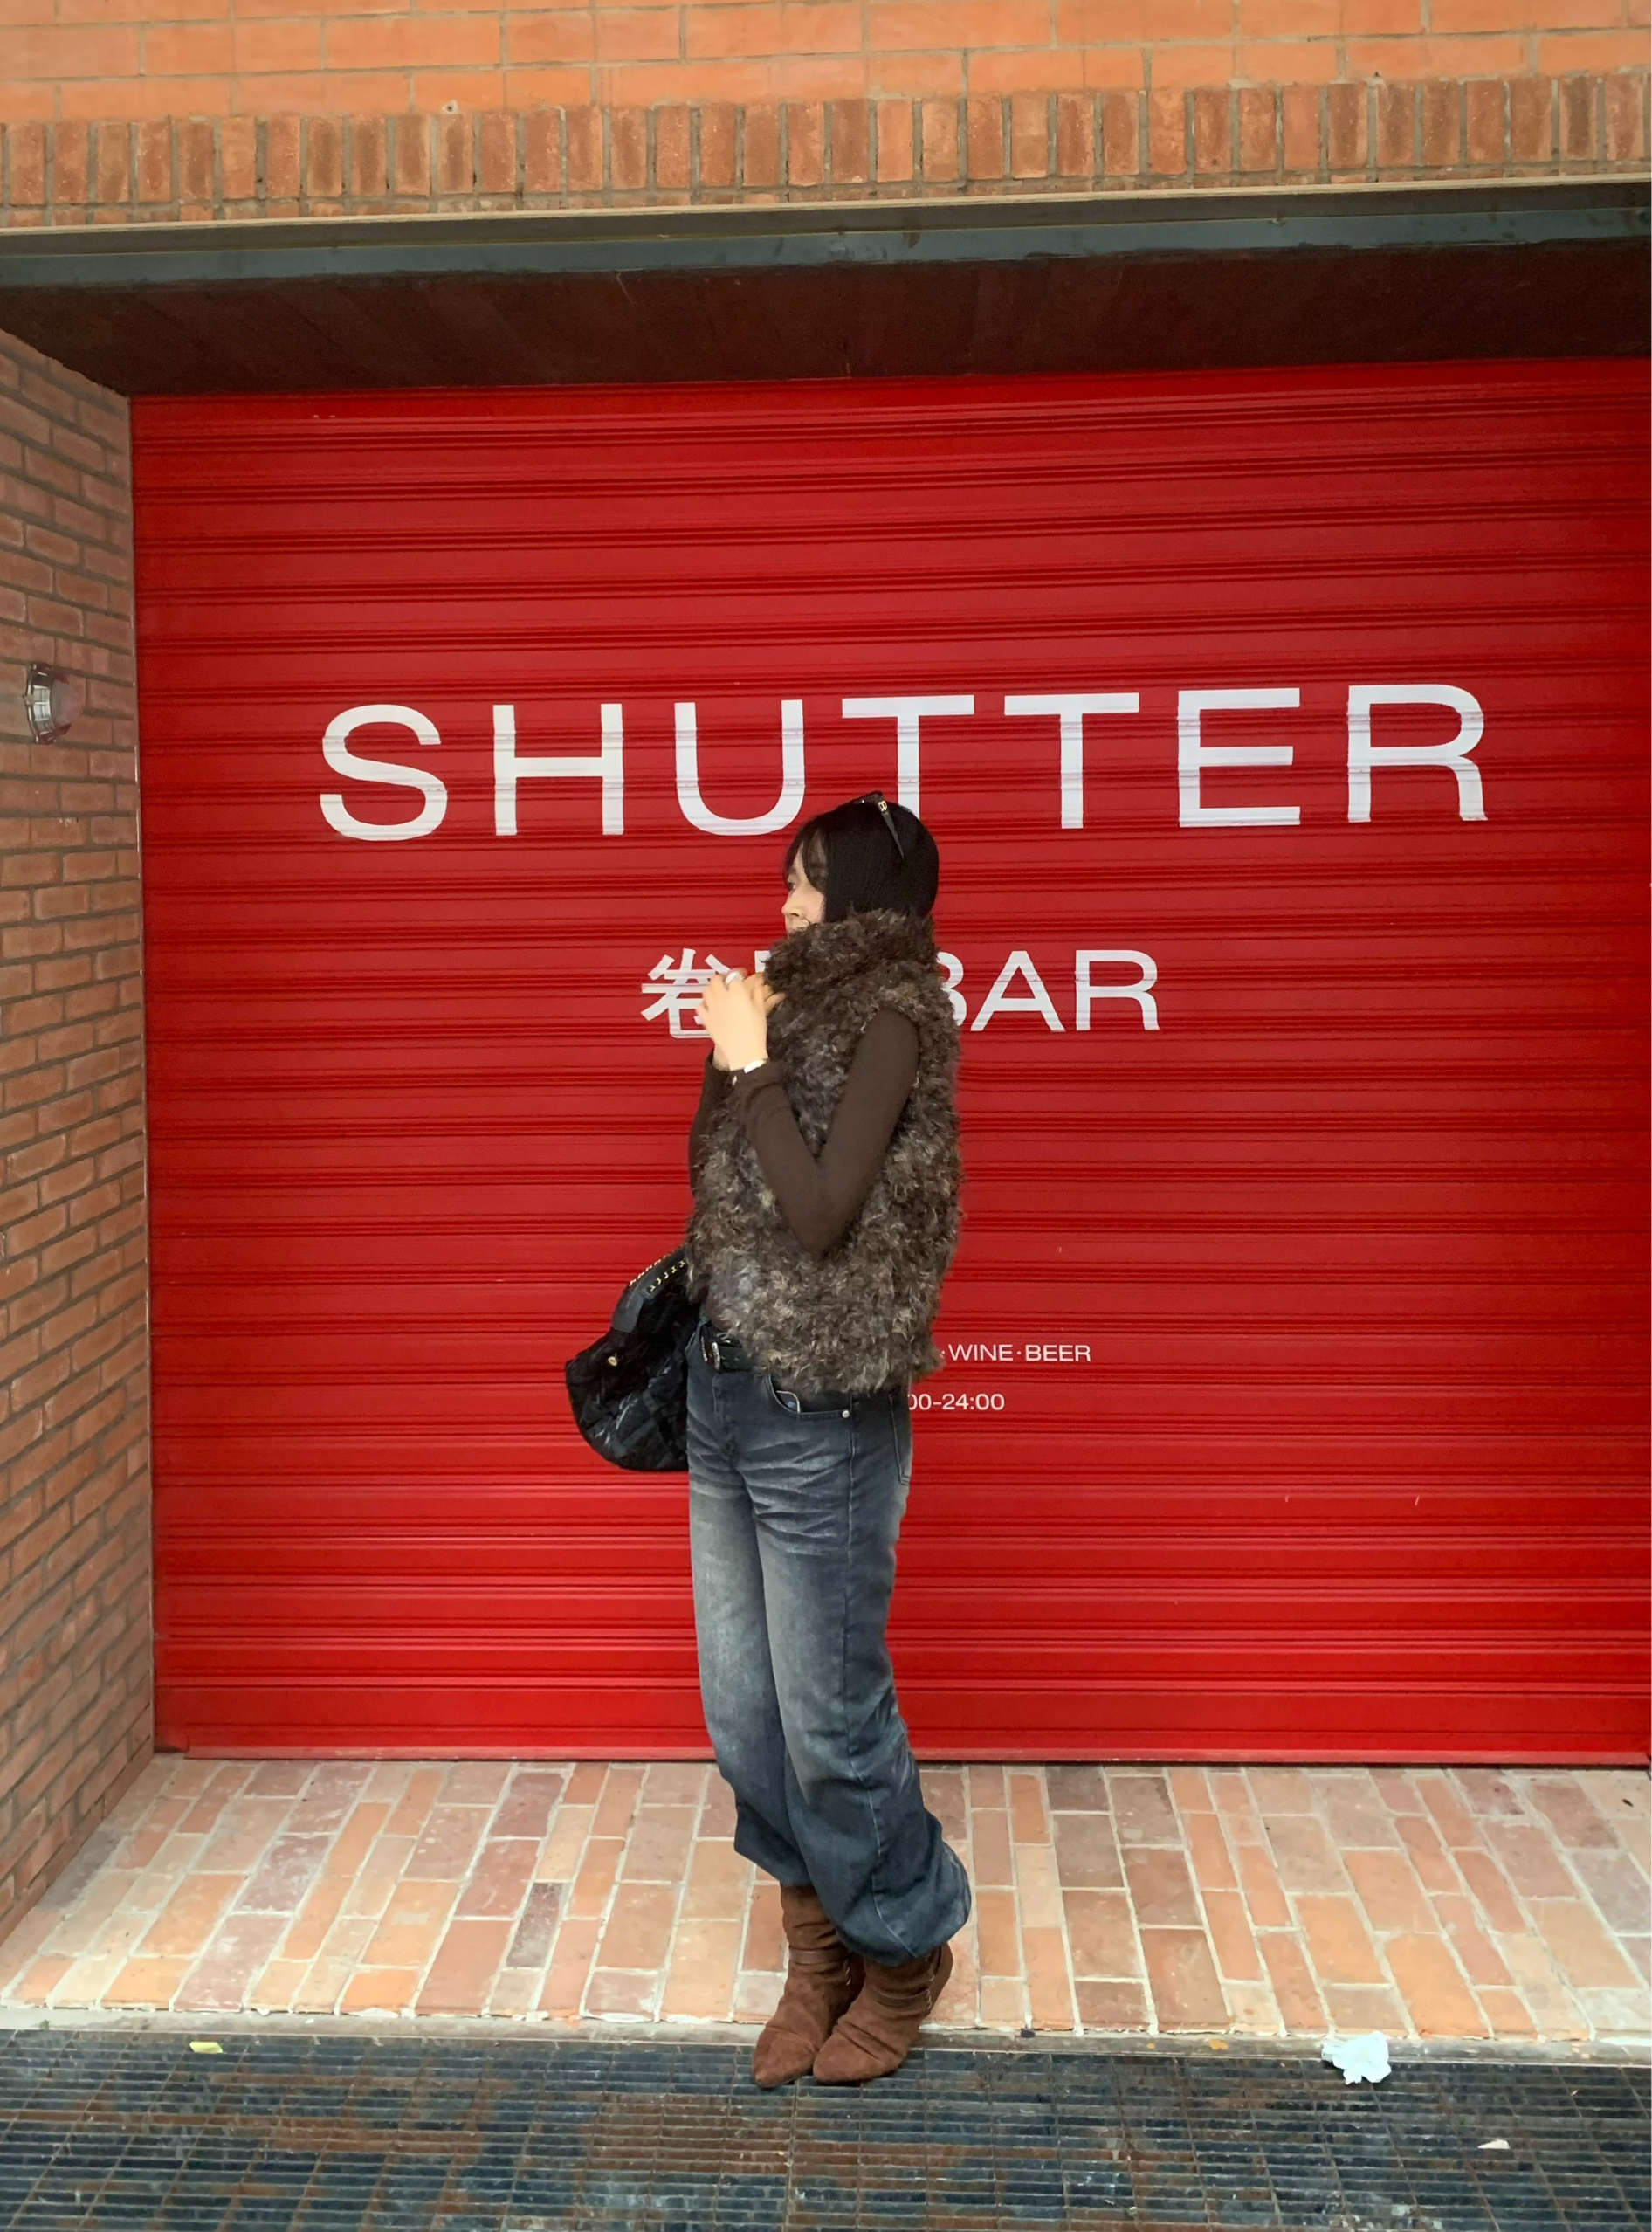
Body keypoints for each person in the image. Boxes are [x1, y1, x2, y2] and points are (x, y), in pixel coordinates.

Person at [685, 790, 971, 2089]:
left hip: (826, 1415)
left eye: (806, 880)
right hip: (724, 1392)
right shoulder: (788, 1004)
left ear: (859, 893)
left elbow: (819, 1213)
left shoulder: (898, 1018)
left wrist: (747, 1060)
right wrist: (736, 1056)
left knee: (829, 1721)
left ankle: (902, 1952)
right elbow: (719, 1190)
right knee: (745, 1717)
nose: (787, 903)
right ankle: (820, 1954)